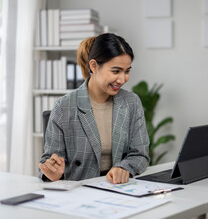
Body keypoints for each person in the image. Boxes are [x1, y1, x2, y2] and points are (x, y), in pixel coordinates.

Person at [38, 33, 150, 184]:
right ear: (94, 66)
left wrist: (124, 168)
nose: (123, 79)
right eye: (116, 71)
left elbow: (140, 154)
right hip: (80, 191)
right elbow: (49, 160)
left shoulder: (131, 102)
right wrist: (52, 172)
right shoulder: (64, 107)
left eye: (127, 71)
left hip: (119, 188)